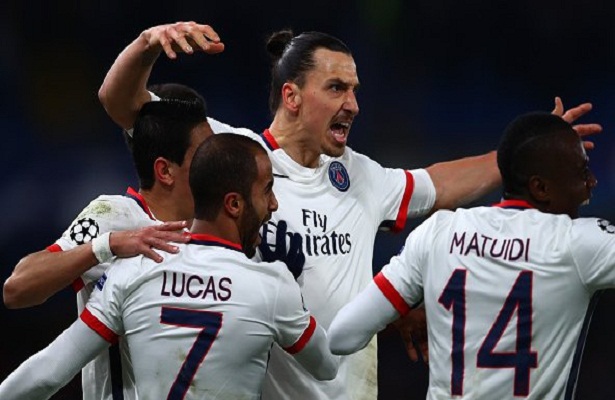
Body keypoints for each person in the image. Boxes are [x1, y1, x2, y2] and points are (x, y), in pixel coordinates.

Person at [97, 21, 601, 400]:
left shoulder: (360, 175)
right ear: (292, 96)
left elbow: (440, 184)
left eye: (355, 89)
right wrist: (147, 44)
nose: (354, 104)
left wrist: (524, 153)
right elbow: (124, 105)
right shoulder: (235, 156)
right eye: (337, 88)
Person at [0, 133, 339, 400]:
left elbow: (46, 374)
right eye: (267, 191)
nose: (274, 204)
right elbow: (326, 366)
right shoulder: (272, 283)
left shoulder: (132, 272)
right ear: (234, 204)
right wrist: (295, 291)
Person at [328, 112, 614, 399]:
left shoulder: (438, 232)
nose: (591, 182)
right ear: (540, 188)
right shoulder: (576, 243)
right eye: (582, 172)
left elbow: (342, 335)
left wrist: (396, 313)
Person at [3, 94, 212, 400]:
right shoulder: (114, 215)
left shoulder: (217, 229)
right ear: (165, 171)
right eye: (205, 155)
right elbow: (17, 289)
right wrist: (107, 245)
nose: (216, 162)